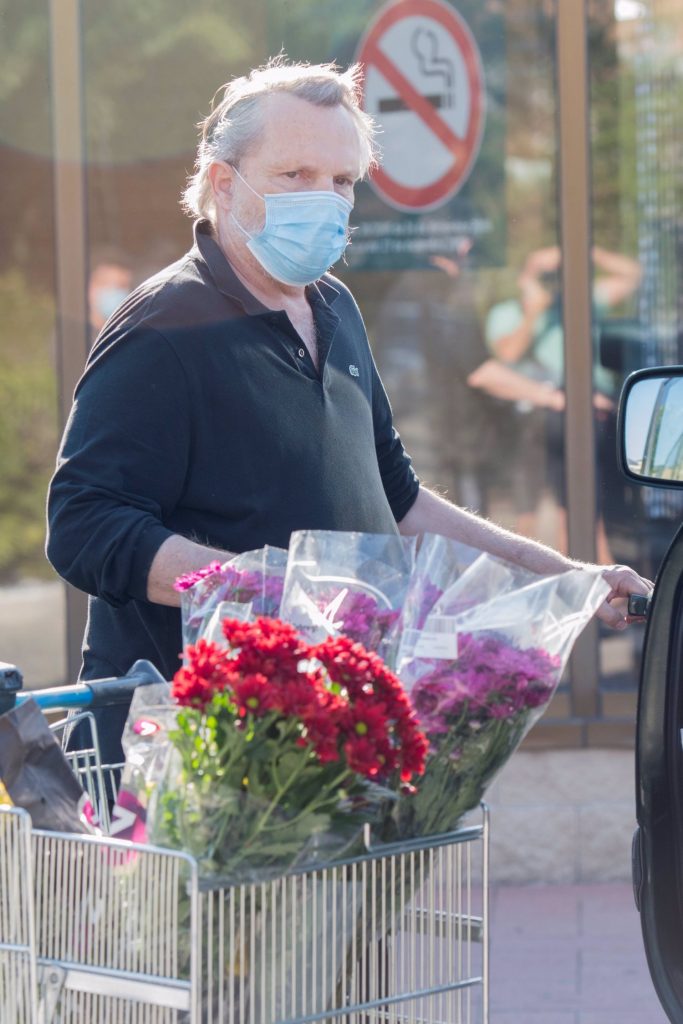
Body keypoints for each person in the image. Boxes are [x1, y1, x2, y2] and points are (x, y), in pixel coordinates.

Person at [46, 58, 652, 760]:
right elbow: (85, 525)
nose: (324, 200)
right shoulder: (164, 324)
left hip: (326, 741)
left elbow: (398, 499)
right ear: (222, 182)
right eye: (294, 176)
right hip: (188, 756)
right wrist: (263, 597)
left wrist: (570, 578)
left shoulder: (333, 306)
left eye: (340, 182)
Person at [485, 244, 642, 559]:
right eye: (542, 275)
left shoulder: (581, 302)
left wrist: (587, 251)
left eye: (556, 274)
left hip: (589, 411)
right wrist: (533, 309)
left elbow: (633, 275)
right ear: (522, 277)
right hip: (537, 418)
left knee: (584, 514)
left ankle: (594, 579)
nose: (551, 281)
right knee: (525, 518)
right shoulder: (507, 313)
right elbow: (508, 353)